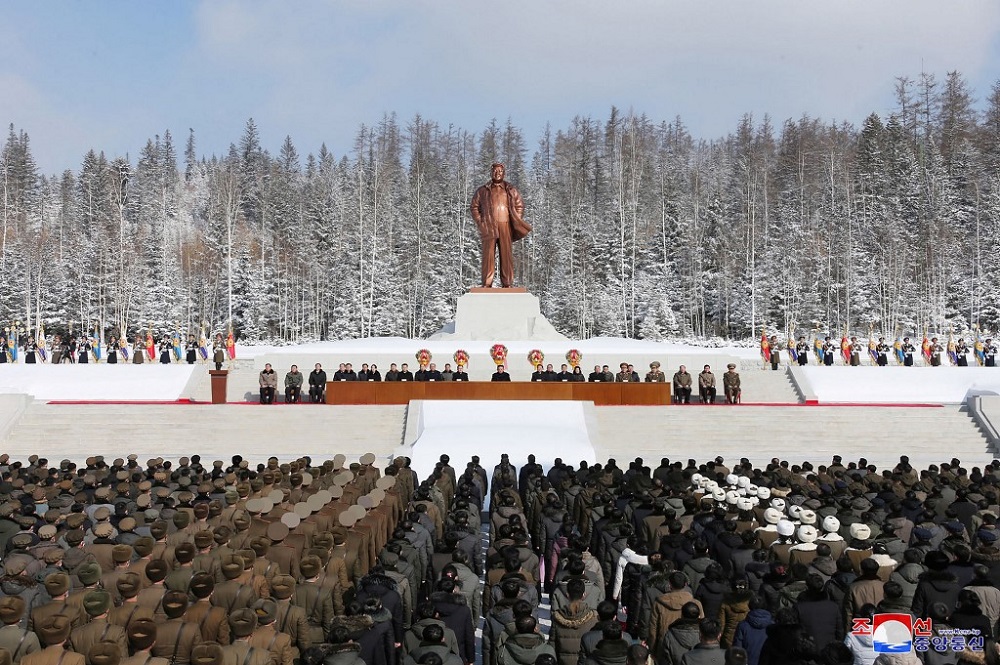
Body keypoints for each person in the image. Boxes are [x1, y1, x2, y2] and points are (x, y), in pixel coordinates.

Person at [470, 162, 531, 288]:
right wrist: (481, 223)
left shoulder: (510, 189)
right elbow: (474, 207)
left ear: (504, 173)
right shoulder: (482, 190)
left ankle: (507, 283)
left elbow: (520, 205)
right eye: (495, 171)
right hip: (489, 225)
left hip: (505, 225)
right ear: (491, 172)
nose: (497, 173)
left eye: (500, 171)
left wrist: (516, 219)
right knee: (488, 255)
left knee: (506, 253)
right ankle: (487, 283)